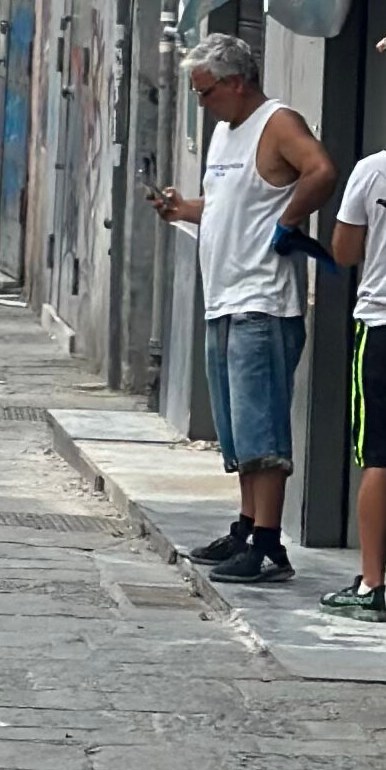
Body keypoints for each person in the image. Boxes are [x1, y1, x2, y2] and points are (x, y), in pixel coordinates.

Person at [146, 30, 336, 587]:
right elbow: (231, 205)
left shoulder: (277, 123)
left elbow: (321, 171)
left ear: (235, 83)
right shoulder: (225, 134)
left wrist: (289, 221)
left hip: (261, 300)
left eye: (205, 92)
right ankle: (247, 527)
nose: (202, 103)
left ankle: (269, 546)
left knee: (261, 429)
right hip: (224, 298)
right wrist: (185, 209)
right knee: (237, 430)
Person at [323, 63, 386, 621]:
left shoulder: (373, 169)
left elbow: (343, 252)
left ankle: (371, 583)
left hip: (383, 324)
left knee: (379, 459)